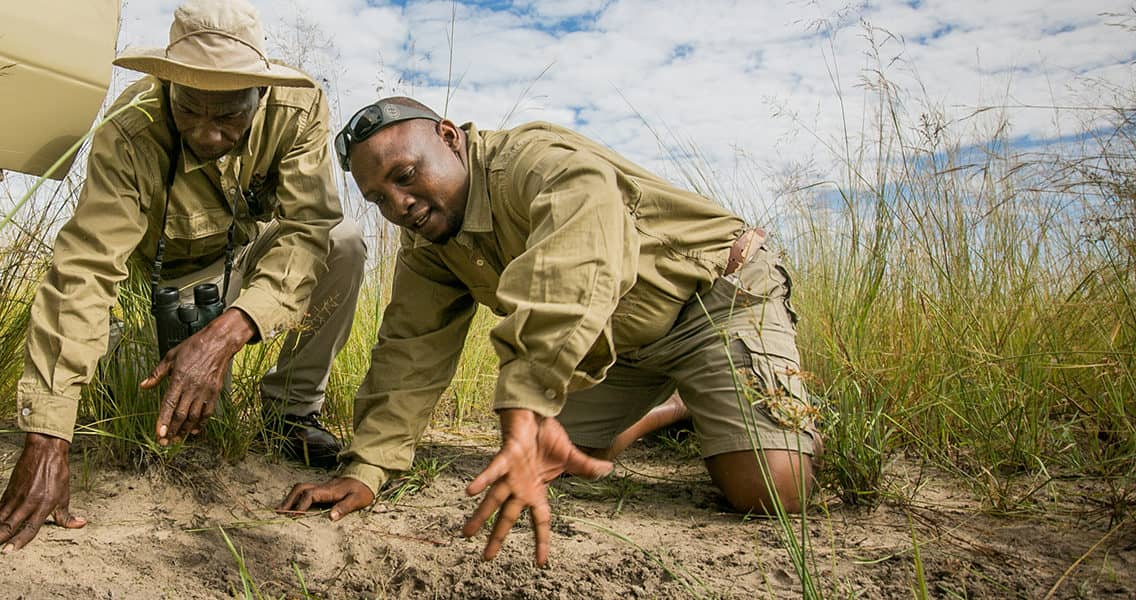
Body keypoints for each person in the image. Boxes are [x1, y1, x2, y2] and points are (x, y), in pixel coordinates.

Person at [279, 98, 819, 567]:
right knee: (543, 453)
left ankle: (699, 393)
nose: (398, 206)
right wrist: (367, 468)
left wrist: (527, 398)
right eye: (377, 199)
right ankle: (675, 404)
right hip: (614, 348)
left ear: (449, 137)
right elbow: (409, 350)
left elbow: (574, 267)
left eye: (404, 176)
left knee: (770, 489)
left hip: (713, 301)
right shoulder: (429, 242)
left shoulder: (537, 164)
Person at [0, 0, 366, 552]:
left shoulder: (298, 111)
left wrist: (228, 333)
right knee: (158, 421)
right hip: (156, 286)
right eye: (189, 111)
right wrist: (48, 435)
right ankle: (121, 372)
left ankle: (290, 416)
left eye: (228, 116)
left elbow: (307, 229)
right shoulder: (130, 130)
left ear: (262, 94)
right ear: (168, 87)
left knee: (343, 242)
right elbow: (85, 266)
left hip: (245, 269)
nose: (207, 134)